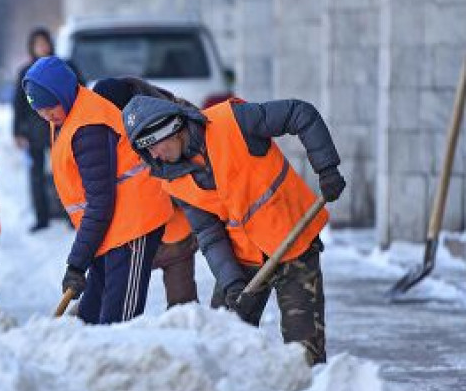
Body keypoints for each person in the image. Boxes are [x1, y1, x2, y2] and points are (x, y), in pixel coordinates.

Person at [123, 95, 346, 365]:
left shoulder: (233, 122)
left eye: (154, 146)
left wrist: (327, 167)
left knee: (304, 356)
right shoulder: (173, 180)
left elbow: (301, 113)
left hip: (294, 243)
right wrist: (231, 281)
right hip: (244, 260)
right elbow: (209, 233)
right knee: (219, 348)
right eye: (146, 151)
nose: (154, 156)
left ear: (171, 128)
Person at [23, 56, 172, 323]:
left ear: (63, 92)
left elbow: (99, 201)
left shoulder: (88, 127)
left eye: (50, 107)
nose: (46, 115)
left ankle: (121, 364)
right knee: (91, 312)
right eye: (39, 111)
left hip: (133, 225)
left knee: (118, 321)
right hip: (109, 227)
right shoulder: (68, 115)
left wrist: (77, 263)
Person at [93, 78, 199, 308]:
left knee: (183, 308)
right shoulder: (102, 132)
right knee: (112, 299)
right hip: (132, 235)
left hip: (173, 231)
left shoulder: (170, 119)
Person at [12, 28, 55, 232]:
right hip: (34, 132)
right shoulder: (25, 72)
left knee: (69, 173)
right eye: (37, 44)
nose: (42, 47)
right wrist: (17, 132)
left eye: (44, 42)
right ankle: (42, 217)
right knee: (36, 175)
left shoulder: (62, 67)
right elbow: (18, 105)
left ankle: (73, 214)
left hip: (62, 129)